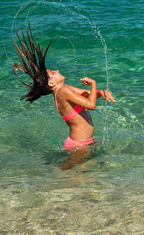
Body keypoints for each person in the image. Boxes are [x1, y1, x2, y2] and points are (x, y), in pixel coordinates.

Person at [11, 23, 115, 169]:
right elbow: (91, 105)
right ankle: (47, 186)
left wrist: (100, 93)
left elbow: (85, 96)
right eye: (53, 72)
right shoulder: (63, 93)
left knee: (82, 174)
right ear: (52, 84)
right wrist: (93, 84)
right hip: (78, 145)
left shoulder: (64, 90)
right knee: (67, 174)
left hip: (84, 143)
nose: (57, 70)